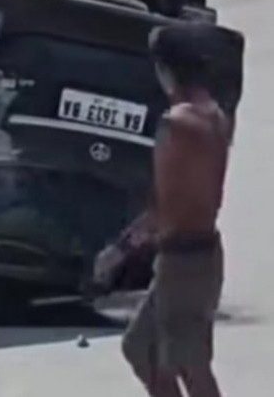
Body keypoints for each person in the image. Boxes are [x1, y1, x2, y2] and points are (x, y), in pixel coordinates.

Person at [93, 23, 243, 397]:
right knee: (141, 348)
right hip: (196, 257)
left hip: (184, 261)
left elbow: (165, 204)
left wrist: (119, 250)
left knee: (189, 365)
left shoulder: (175, 124)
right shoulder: (214, 114)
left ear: (166, 69)